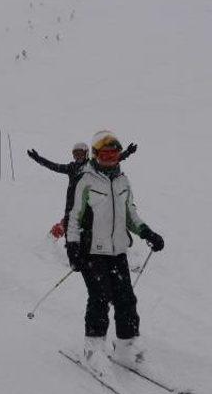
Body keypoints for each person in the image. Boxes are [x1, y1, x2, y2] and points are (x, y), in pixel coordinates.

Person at [65, 130, 164, 378]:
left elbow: (131, 215)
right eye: (105, 154)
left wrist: (147, 232)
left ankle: (126, 348)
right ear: (96, 155)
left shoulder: (123, 181)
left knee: (126, 299)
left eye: (115, 154)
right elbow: (74, 217)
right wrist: (72, 247)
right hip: (91, 251)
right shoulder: (85, 180)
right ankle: (93, 349)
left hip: (118, 250)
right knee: (99, 298)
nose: (110, 158)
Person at [27, 140, 137, 235]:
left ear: (86, 154)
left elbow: (110, 160)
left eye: (80, 154)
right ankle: (49, 243)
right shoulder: (71, 168)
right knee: (69, 224)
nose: (78, 157)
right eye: (76, 154)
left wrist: (127, 152)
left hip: (91, 204)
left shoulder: (94, 166)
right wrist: (38, 158)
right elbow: (54, 166)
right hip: (74, 203)